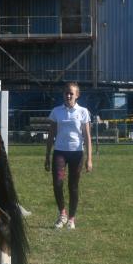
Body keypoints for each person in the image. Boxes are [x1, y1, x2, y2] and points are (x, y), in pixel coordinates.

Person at [44, 82, 93, 229]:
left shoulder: (83, 112)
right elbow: (51, 134)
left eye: (72, 93)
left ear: (77, 95)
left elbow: (87, 136)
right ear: (63, 95)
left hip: (77, 154)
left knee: (73, 186)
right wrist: (47, 155)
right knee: (58, 184)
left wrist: (89, 159)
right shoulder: (56, 112)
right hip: (60, 152)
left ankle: (71, 218)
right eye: (66, 93)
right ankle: (62, 214)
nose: (69, 95)